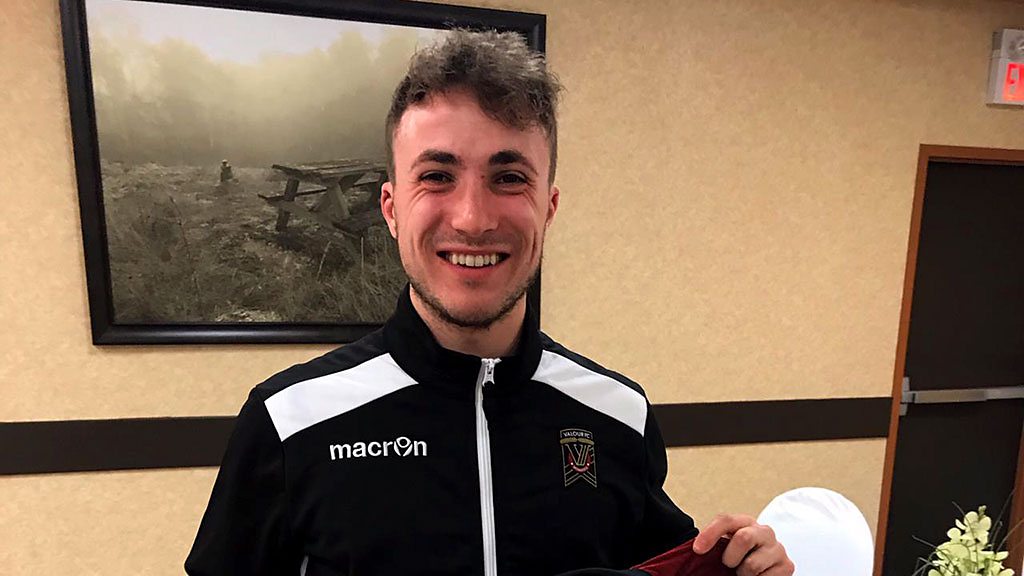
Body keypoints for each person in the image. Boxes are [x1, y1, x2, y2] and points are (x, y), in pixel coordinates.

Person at [185, 29, 794, 576]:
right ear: (391, 209)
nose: (473, 219)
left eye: (509, 178)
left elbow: (667, 564)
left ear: (548, 209)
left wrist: (745, 565)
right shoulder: (289, 420)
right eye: (437, 176)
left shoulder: (618, 415)